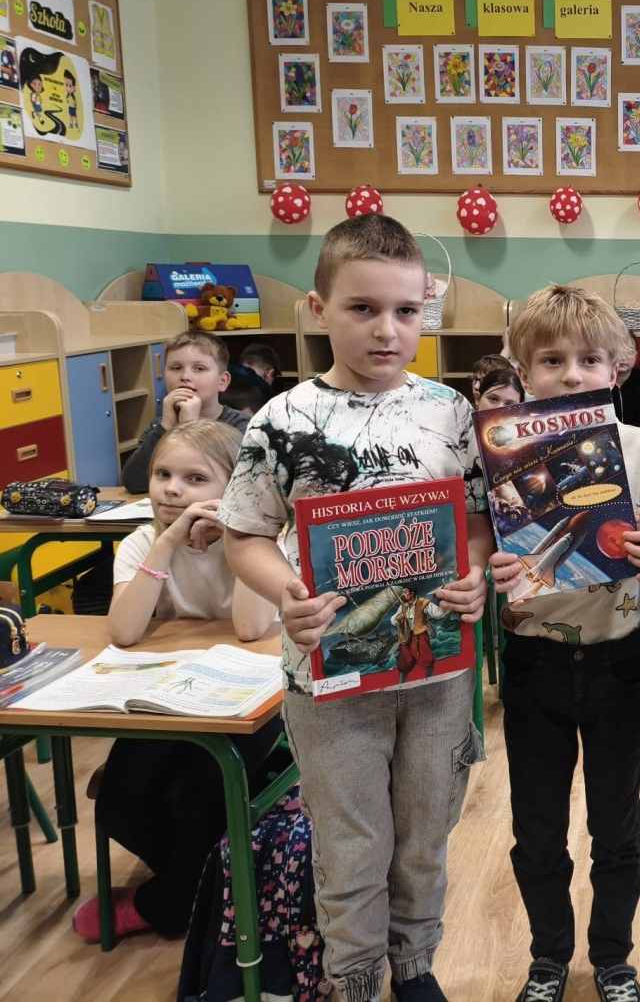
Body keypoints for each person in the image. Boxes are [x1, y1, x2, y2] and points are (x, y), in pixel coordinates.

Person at [220, 215, 491, 1002]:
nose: (386, 330)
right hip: (330, 682)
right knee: (351, 846)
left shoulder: (450, 410)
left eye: (406, 311)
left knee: (425, 838)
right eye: (362, 308)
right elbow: (245, 534)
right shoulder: (280, 419)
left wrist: (474, 574)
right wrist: (287, 594)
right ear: (318, 309)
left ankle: (414, 967)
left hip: (436, 674)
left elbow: (476, 523)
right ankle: (354, 980)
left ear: (426, 310)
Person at [490, 285, 640, 1002]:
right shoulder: (501, 451)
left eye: (589, 359)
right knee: (537, 829)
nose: (572, 374)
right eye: (552, 361)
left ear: (617, 367)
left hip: (618, 659)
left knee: (617, 827)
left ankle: (613, 959)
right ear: (523, 371)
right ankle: (548, 958)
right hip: (533, 660)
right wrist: (490, 565)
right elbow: (481, 544)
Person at [72, 420, 279, 944]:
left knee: (199, 792)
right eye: (163, 474)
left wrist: (238, 537)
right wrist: (164, 545)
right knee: (119, 800)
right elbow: (124, 631)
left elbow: (252, 628)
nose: (172, 489)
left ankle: (169, 904)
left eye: (195, 479)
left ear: (234, 487)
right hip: (169, 698)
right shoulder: (142, 542)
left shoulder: (265, 543)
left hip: (252, 704)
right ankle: (210, 892)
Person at [122, 330, 250, 492]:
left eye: (199, 368)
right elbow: (133, 483)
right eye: (176, 368)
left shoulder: (242, 427)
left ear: (222, 381)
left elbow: (222, 484)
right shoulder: (160, 425)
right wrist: (165, 428)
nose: (185, 376)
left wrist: (190, 428)